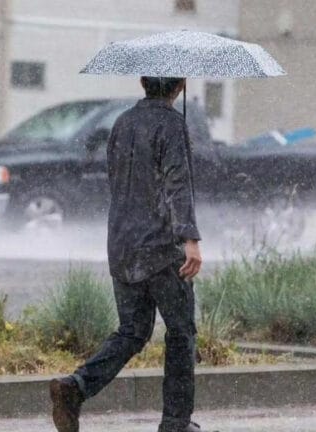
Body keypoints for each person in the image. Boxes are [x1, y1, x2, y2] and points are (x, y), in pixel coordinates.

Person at [49, 76, 207, 432]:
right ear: (180, 85)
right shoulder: (171, 123)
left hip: (122, 244)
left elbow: (119, 180)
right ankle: (176, 423)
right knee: (181, 332)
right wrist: (189, 238)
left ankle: (75, 388)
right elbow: (176, 183)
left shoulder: (121, 123)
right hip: (161, 248)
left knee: (133, 331)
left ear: (142, 81)